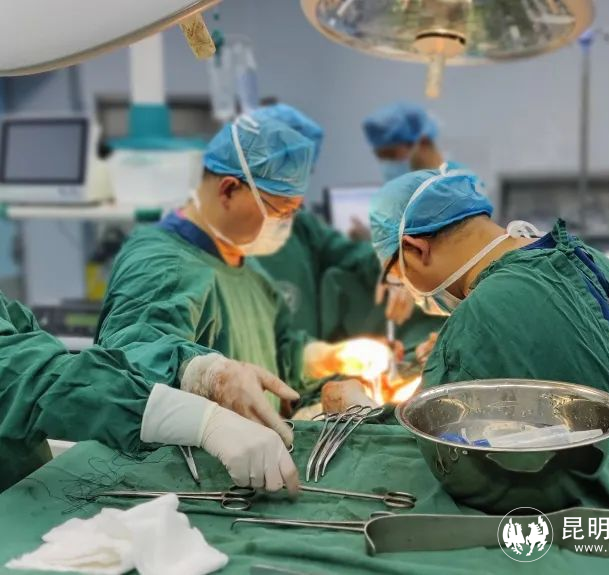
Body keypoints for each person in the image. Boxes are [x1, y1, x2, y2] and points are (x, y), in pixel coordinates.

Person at [368, 164, 609, 442]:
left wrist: (363, 410)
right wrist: (457, 351)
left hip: (606, 490)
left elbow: (426, 441)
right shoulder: (591, 260)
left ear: (416, 248)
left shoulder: (484, 312)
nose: (409, 291)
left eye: (399, 276)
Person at [96, 114, 374, 431]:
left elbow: (276, 355)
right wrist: (208, 375)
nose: (285, 224)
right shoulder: (161, 264)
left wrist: (325, 357)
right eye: (280, 211)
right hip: (186, 457)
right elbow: (130, 362)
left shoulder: (248, 268)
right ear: (228, 190)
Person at [0, 292, 298, 493]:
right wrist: (201, 421)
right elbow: (30, 377)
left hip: (29, 493)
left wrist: (197, 372)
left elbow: (69, 366)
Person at [251, 103, 416, 340]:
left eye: (304, 175)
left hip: (305, 361)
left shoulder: (302, 228)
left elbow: (352, 254)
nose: (296, 192)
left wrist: (394, 268)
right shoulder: (221, 244)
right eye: (287, 174)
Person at [362, 102, 444, 183]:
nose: (388, 163)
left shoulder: (447, 188)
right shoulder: (393, 190)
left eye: (391, 154)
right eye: (381, 156)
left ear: (423, 144)